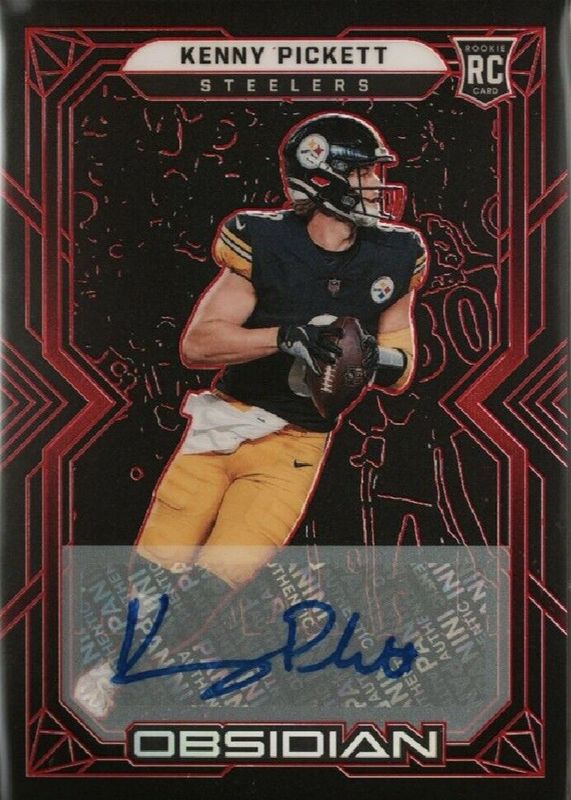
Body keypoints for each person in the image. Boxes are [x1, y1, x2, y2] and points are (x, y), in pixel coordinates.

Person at [73, 111, 428, 719]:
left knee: (220, 574)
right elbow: (198, 345)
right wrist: (286, 337)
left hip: (295, 445)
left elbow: (404, 366)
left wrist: (368, 356)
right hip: (223, 426)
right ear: (322, 177)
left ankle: (120, 675)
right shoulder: (265, 240)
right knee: (155, 565)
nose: (376, 185)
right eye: (364, 172)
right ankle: (116, 659)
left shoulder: (396, 254)